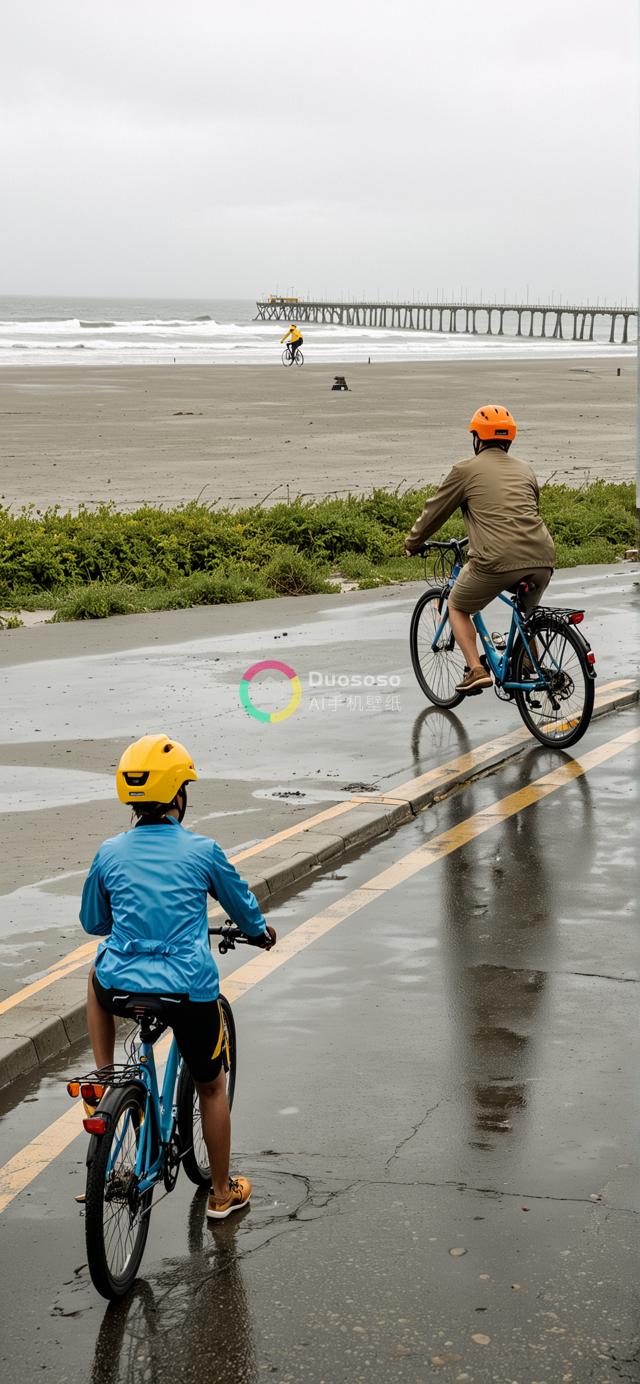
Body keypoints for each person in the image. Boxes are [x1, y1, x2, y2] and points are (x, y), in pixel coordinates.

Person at [80, 734, 276, 1220]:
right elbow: (241, 905)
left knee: (95, 975)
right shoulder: (202, 850)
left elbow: (94, 923)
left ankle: (105, 1080)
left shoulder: (109, 852)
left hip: (120, 985)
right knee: (211, 1087)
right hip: (185, 990)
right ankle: (221, 1194)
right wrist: (259, 932)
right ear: (178, 796)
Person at [404, 406, 556, 694]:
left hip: (496, 559)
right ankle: (529, 666)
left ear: (477, 439)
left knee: (457, 605)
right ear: (508, 439)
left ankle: (475, 669)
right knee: (526, 614)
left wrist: (413, 542)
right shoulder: (525, 469)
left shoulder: (465, 470)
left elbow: (435, 512)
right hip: (543, 557)